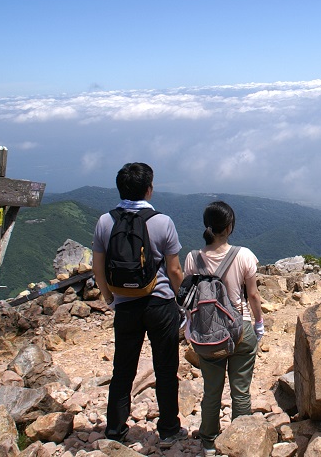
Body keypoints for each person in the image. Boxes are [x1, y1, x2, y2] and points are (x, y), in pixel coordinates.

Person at [92, 162, 188, 448]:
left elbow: (98, 267)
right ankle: (169, 428)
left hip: (125, 305)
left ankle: (115, 430)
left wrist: (110, 297)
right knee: (166, 367)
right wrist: (179, 299)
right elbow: (174, 271)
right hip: (160, 305)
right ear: (149, 189)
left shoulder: (105, 221)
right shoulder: (162, 222)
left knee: (123, 369)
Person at [184, 201, 264, 457]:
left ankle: (208, 442)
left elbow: (188, 298)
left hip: (207, 334)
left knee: (211, 391)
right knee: (240, 390)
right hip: (240, 329)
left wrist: (188, 328)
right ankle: (240, 442)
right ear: (230, 227)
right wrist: (259, 324)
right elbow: (253, 296)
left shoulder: (192, 258)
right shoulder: (244, 256)